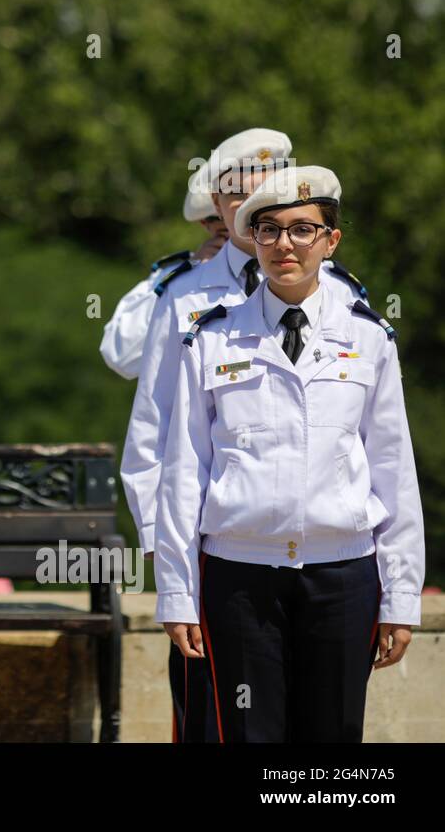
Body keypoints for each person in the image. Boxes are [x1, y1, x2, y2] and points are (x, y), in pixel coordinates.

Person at [155, 165, 424, 742]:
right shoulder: (212, 338)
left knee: (331, 741)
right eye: (269, 229)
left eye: (304, 229)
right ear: (250, 239)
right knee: (250, 735)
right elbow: (184, 470)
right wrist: (176, 592)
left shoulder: (369, 338)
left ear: (331, 241)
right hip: (240, 575)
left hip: (342, 574)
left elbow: (394, 471)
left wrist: (401, 597)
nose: (285, 244)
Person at [121, 127, 367, 743]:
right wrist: (168, 556)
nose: (255, 199)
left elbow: (373, 440)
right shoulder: (182, 292)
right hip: (214, 548)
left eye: (269, 185)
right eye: (239, 192)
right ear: (216, 205)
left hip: (316, 553)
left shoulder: (338, 291)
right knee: (215, 722)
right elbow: (155, 431)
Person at [99, 161, 228, 379]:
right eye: (219, 219)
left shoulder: (291, 273)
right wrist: (190, 276)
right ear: (204, 224)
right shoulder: (174, 275)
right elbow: (121, 355)